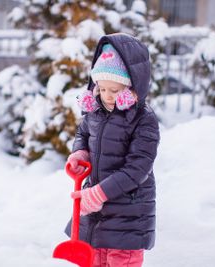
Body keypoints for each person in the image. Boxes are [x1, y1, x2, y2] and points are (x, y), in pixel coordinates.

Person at [65, 33, 160, 267]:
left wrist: (100, 193)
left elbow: (138, 168)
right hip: (96, 211)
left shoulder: (143, 120)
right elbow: (83, 134)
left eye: (115, 90)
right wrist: (80, 153)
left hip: (129, 212)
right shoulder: (95, 111)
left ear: (131, 86)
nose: (107, 96)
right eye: (102, 88)